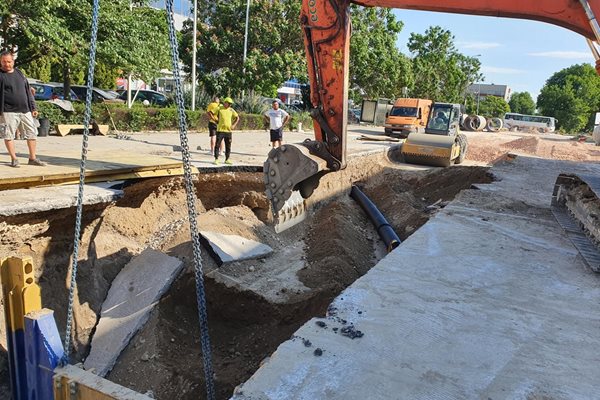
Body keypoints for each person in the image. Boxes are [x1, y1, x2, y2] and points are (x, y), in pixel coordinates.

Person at [0, 51, 46, 167]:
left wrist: (33, 107)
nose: (7, 64)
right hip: (8, 111)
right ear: (1, 61)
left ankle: (32, 158)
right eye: (4, 62)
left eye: (9, 62)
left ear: (13, 61)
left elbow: (28, 91)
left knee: (32, 133)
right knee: (8, 135)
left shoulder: (20, 73)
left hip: (25, 110)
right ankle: (14, 158)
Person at [214, 97, 239, 165]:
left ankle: (227, 159)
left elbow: (237, 118)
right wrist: (215, 120)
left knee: (228, 146)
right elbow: (211, 113)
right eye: (229, 103)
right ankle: (216, 159)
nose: (230, 105)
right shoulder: (219, 108)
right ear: (225, 102)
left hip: (228, 131)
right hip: (220, 130)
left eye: (230, 104)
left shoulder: (231, 110)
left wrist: (233, 125)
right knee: (217, 145)